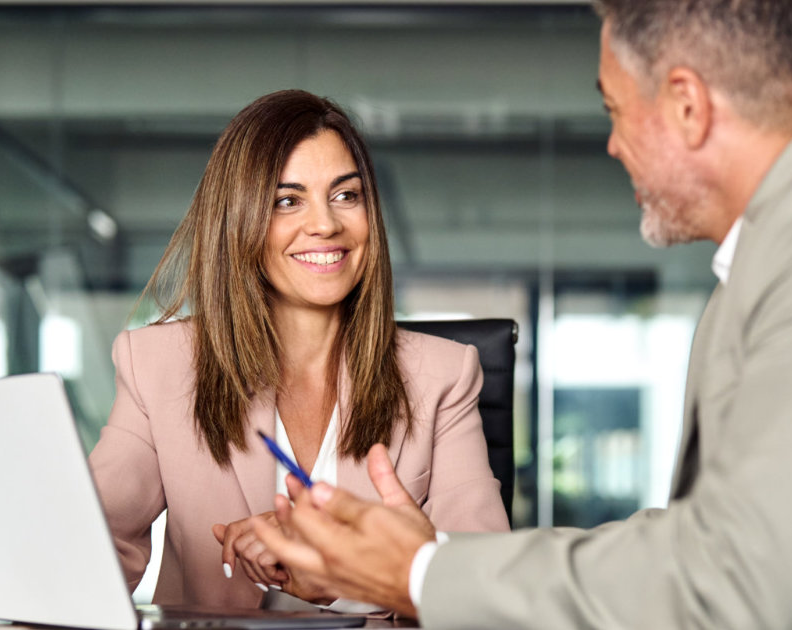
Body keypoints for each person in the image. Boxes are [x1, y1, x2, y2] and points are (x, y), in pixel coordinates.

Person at [249, 1, 792, 628]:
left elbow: (731, 586)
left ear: (686, 105)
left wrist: (423, 572)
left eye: (616, 110)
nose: (612, 144)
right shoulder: (780, 256)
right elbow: (700, 546)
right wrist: (428, 558)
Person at [88, 90, 509, 611]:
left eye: (346, 195)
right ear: (238, 221)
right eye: (287, 201)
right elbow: (89, 551)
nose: (326, 224)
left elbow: (487, 594)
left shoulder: (443, 375)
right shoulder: (158, 365)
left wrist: (345, 574)